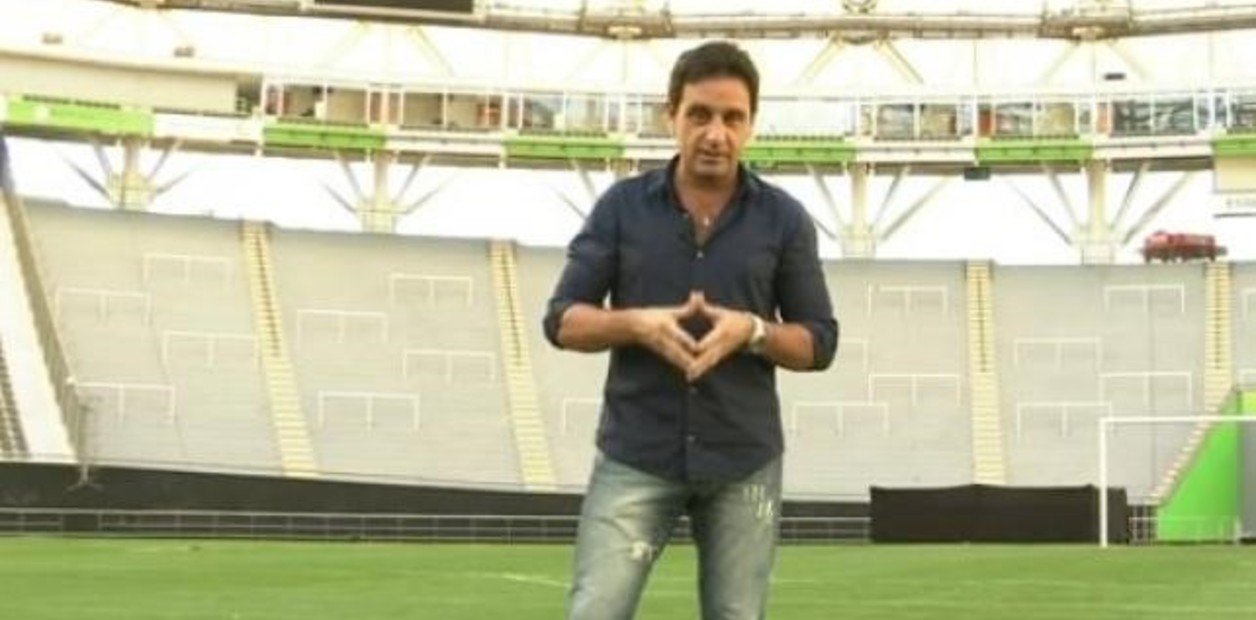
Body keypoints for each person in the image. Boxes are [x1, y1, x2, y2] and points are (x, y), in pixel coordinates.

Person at [543, 40, 839, 620]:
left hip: (742, 460)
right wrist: (635, 324)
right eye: (699, 114)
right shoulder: (622, 208)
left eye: (733, 117)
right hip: (636, 452)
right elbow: (563, 320)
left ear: (751, 124)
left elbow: (819, 342)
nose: (715, 134)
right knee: (595, 611)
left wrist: (753, 331)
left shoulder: (784, 219)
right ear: (671, 115)